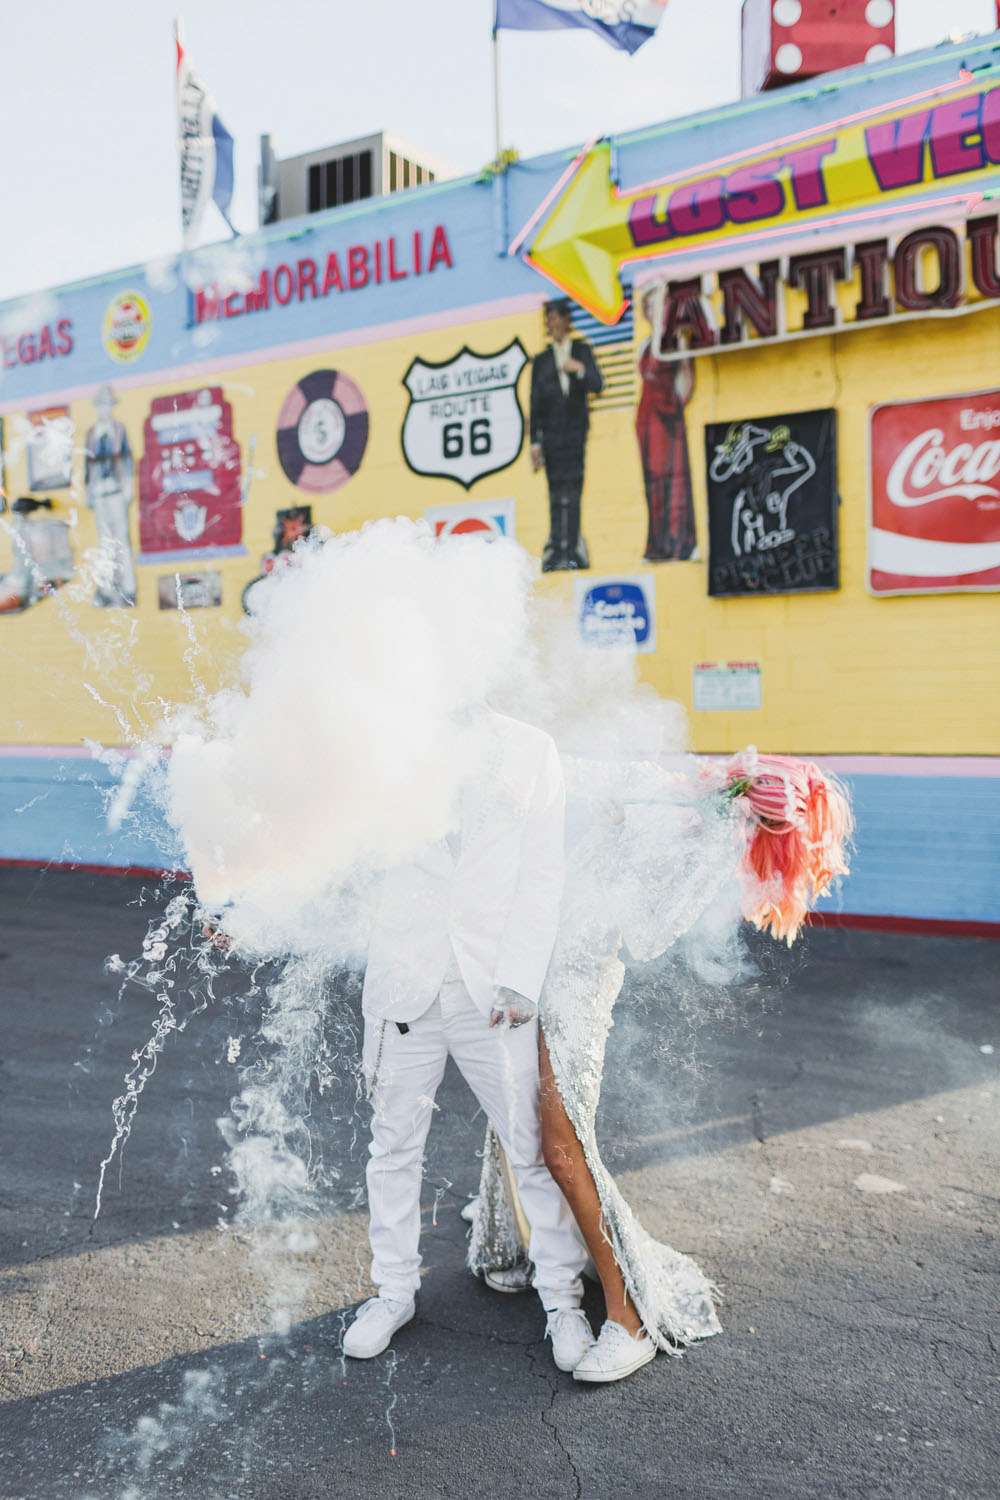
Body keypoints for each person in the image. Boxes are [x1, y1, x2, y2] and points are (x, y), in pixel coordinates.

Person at [342, 706, 596, 1373]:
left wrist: (522, 979)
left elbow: (543, 875)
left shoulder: (532, 748)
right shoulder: (382, 733)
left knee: (530, 1149)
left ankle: (562, 1302)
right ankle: (392, 1293)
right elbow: (335, 850)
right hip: (403, 984)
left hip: (495, 993)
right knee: (393, 1149)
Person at [468, 757, 730, 1384]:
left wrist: (722, 825)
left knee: (564, 1149)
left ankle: (630, 1318)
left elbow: (648, 929)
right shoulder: (553, 782)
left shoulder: (637, 806)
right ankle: (526, 1243)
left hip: (575, 995)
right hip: (524, 985)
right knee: (515, 1121)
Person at [529, 299, 603, 572]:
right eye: (548, 320)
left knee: (573, 492)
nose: (551, 324)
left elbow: (598, 384)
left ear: (566, 320)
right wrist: (535, 442)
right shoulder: (541, 361)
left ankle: (572, 548)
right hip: (551, 437)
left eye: (555, 318)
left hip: (575, 435)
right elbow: (535, 404)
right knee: (555, 493)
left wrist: (579, 370)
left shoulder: (582, 351)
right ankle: (556, 550)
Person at [635, 288, 697, 562]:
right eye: (650, 306)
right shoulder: (645, 345)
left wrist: (676, 406)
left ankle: (678, 542)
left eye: (660, 305)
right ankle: (657, 544)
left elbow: (686, 381)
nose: (656, 311)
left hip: (668, 418)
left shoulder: (677, 339)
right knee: (653, 482)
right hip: (647, 420)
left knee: (675, 480)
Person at [84, 384, 136, 607]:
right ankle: (106, 588)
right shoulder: (91, 433)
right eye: (101, 405)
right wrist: (88, 490)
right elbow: (87, 464)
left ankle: (128, 587)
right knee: (104, 541)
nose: (104, 409)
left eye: (107, 405)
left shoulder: (118, 430)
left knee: (122, 538)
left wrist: (128, 487)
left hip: (116, 490)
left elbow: (127, 459)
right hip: (99, 492)